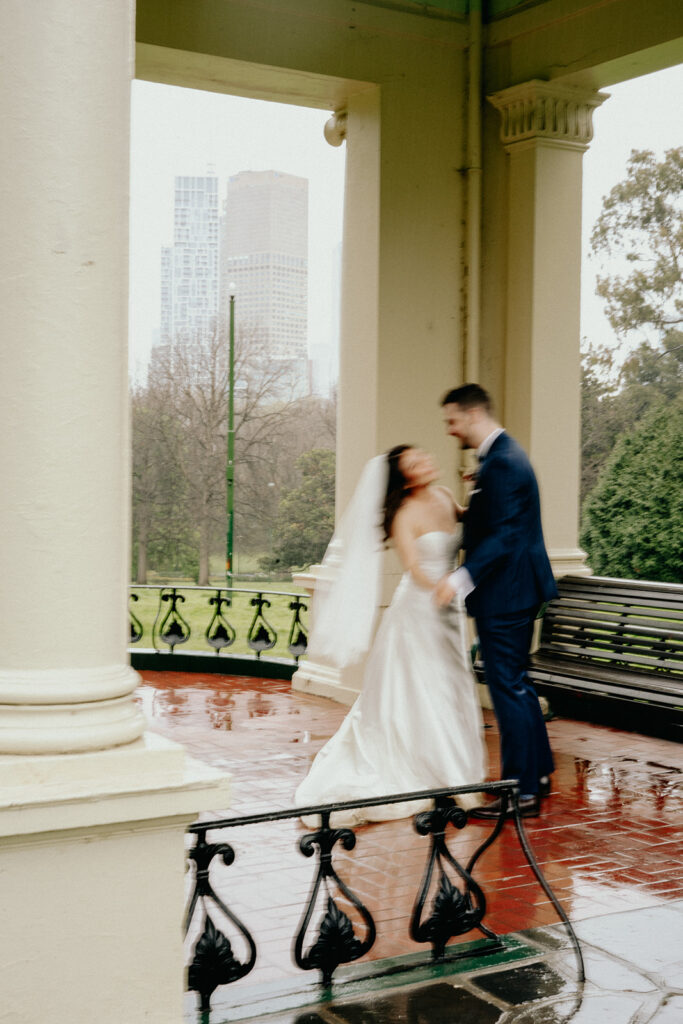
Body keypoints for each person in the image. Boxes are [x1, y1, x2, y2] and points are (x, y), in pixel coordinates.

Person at [294, 444, 486, 826]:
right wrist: (444, 589)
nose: (426, 461)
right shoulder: (404, 513)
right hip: (419, 610)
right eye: (415, 463)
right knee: (420, 689)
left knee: (448, 685)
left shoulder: (446, 496)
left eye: (424, 455)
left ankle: (450, 771)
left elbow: (470, 521)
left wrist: (479, 490)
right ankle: (440, 774)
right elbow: (414, 567)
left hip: (449, 610)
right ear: (405, 478)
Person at [435, 384, 557, 820]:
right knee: (516, 683)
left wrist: (461, 576)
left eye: (452, 420)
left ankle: (519, 794)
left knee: (508, 686)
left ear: (470, 415)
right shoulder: (502, 456)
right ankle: (537, 776)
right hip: (516, 589)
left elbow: (505, 536)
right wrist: (470, 507)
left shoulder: (503, 462)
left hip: (505, 592)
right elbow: (503, 521)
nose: (450, 430)